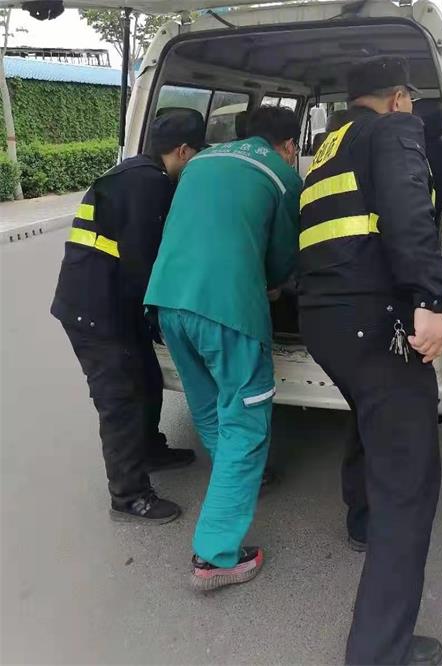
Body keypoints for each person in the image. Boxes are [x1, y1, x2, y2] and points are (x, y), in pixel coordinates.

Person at [298, 58, 442, 665]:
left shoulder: (328, 145)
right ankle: (380, 651)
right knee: (409, 483)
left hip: (326, 322)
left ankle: (362, 517)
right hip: (376, 320)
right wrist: (431, 300)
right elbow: (410, 215)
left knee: (371, 415)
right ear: (398, 98)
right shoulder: (392, 130)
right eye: (409, 100)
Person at [144, 106, 302, 591]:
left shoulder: (199, 162)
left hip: (168, 301)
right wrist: (273, 285)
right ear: (288, 146)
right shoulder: (281, 175)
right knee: (246, 422)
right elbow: (283, 259)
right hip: (227, 309)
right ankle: (215, 557)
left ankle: (238, 478)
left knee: (209, 408)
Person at [51, 110, 206, 524]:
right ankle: (129, 496)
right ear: (183, 151)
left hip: (113, 301)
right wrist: (167, 317)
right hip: (95, 310)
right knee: (119, 398)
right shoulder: (148, 184)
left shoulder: (138, 172)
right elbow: (144, 264)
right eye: (196, 155)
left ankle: (150, 449)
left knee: (148, 380)